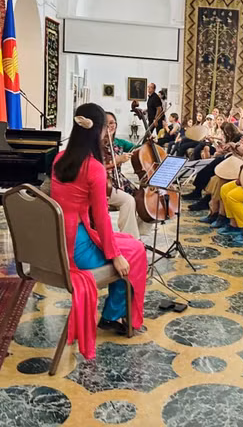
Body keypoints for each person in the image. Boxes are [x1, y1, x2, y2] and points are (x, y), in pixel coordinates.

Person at [50, 103, 147, 358]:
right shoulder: (94, 167)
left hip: (58, 241)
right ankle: (113, 315)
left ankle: (114, 313)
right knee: (135, 251)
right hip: (77, 248)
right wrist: (115, 255)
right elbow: (102, 219)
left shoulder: (59, 158)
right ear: (99, 131)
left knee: (129, 243)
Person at [104, 112, 150, 240]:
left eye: (112, 123)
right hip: (105, 182)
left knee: (144, 199)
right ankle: (129, 238)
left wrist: (148, 143)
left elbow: (138, 147)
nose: (109, 126)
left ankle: (137, 232)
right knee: (128, 201)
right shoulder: (96, 143)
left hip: (119, 179)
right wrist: (117, 160)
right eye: (105, 123)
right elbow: (95, 166)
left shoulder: (119, 142)